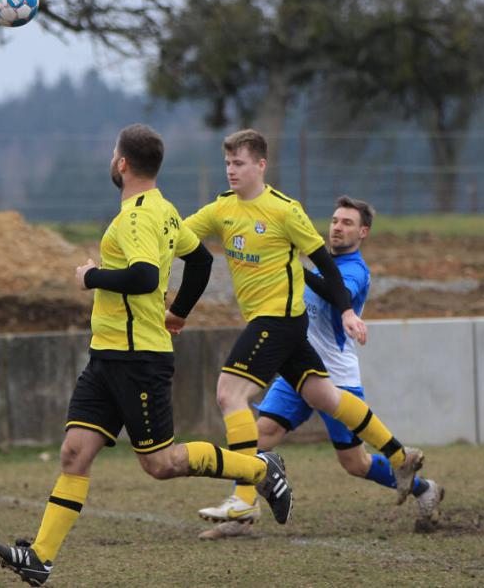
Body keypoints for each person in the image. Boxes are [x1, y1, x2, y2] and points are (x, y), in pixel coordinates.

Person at [0, 124, 293, 587]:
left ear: (122, 163)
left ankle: (259, 468)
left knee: (160, 464)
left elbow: (146, 277)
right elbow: (201, 261)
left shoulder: (138, 217)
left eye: (113, 154)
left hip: (138, 359)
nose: (112, 160)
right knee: (74, 452)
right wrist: (180, 313)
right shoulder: (165, 210)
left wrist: (92, 277)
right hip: (107, 356)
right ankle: (39, 558)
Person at [177, 130, 424, 530]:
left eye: (238, 163)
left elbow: (325, 265)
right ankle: (400, 458)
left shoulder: (285, 211)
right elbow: (181, 237)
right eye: (227, 163)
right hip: (283, 326)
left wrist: (346, 312)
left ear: (260, 165)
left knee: (229, 392)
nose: (231, 171)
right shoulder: (221, 209)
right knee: (326, 396)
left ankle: (243, 500)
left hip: (279, 321)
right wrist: (146, 244)